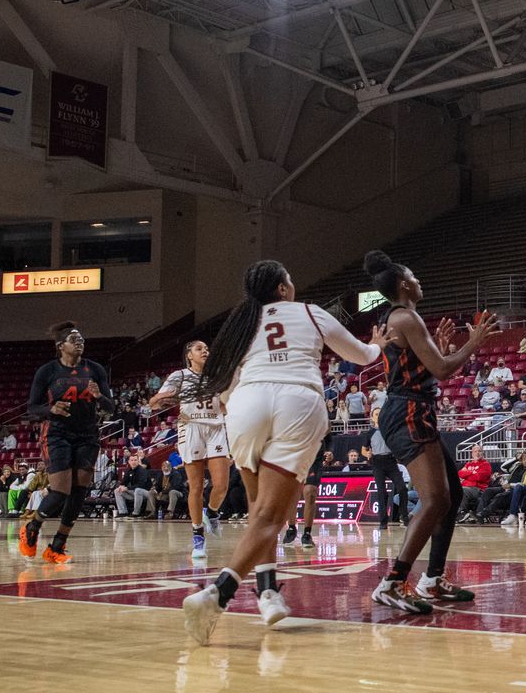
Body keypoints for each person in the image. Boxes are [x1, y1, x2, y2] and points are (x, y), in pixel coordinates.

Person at [181, 259, 388, 644]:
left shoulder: (241, 321)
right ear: (281, 288)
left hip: (245, 405)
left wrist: (234, 409)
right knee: (272, 516)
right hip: (296, 401)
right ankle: (218, 593)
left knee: (262, 510)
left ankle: (268, 590)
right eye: (289, 280)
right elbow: (361, 356)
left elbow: (225, 383)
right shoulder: (309, 312)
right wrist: (377, 345)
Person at [360, 250, 500, 615]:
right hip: (407, 411)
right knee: (435, 499)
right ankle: (393, 581)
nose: (421, 282)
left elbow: (423, 364)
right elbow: (441, 370)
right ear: (404, 283)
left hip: (413, 409)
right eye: (415, 277)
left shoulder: (403, 317)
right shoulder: (405, 316)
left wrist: (437, 344)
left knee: (451, 495)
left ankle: (433, 578)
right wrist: (475, 343)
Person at [16, 322, 114, 564]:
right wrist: (51, 409)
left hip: (88, 435)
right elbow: (31, 408)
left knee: (79, 493)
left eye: (81, 338)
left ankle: (57, 546)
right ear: (61, 346)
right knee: (60, 491)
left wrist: (99, 396)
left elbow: (111, 407)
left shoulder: (95, 369)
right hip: (57, 434)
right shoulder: (48, 371)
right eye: (73, 338)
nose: (79, 341)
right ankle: (33, 526)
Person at [148, 340, 231, 559]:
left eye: (206, 349)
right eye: (199, 349)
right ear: (189, 355)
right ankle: (198, 535)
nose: (205, 351)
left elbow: (224, 405)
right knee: (195, 486)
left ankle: (212, 513)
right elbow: (153, 403)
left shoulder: (218, 376)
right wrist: (164, 399)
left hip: (216, 427)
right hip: (191, 427)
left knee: (221, 485)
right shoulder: (180, 376)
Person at [367, 404, 410, 529]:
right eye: (376, 414)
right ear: (372, 418)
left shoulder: (390, 430)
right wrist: (367, 454)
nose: (379, 416)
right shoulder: (370, 433)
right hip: (377, 463)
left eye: (380, 414)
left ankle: (404, 516)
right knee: (382, 492)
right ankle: (383, 521)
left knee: (402, 488)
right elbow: (364, 449)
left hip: (391, 461)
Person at [456, 444, 492, 523]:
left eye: (479, 451)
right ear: (472, 454)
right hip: (467, 488)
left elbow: (479, 477)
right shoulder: (468, 464)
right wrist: (473, 472)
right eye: (475, 451)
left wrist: (467, 475)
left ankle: (461, 513)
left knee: (462, 490)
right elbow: (459, 473)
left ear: (483, 453)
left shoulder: (486, 464)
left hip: (479, 489)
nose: (477, 453)